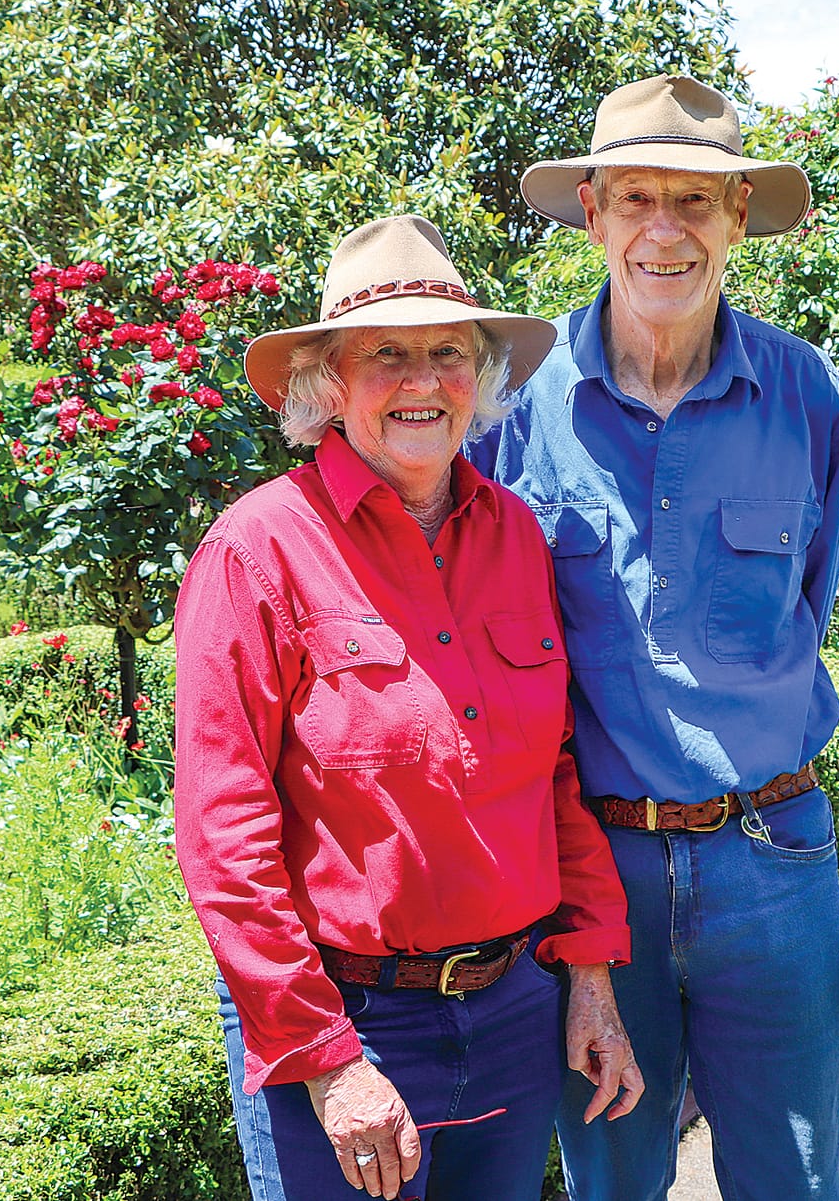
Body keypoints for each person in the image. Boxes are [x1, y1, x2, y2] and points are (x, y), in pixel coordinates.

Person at [173, 214, 644, 1201]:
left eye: (446, 351)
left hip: (512, 1018)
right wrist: (327, 1059)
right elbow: (225, 836)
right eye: (385, 352)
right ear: (328, 384)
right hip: (349, 1029)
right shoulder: (256, 550)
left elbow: (553, 770)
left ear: (479, 378)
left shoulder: (515, 535)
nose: (421, 379)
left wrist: (590, 980)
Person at [471, 75, 839, 1199]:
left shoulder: (802, 392)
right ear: (591, 214)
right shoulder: (515, 406)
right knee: (611, 1179)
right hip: (595, 878)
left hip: (773, 858)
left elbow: (807, 603)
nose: (663, 228)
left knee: (794, 1175)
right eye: (636, 196)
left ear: (737, 219)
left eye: (695, 200)